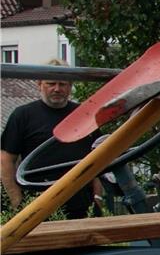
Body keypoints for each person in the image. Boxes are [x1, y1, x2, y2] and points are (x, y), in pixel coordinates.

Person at [1, 62, 101, 219]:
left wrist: (98, 198)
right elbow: (5, 160)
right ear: (39, 84)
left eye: (62, 84)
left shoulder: (84, 115)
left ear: (70, 86)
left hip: (81, 205)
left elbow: (97, 159)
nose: (57, 89)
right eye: (51, 83)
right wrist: (17, 201)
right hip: (37, 205)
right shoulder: (23, 116)